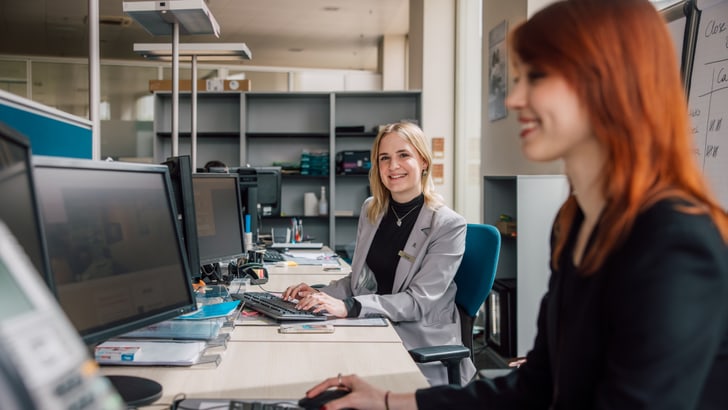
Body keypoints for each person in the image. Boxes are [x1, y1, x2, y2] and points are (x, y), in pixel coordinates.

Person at [301, 1, 728, 408]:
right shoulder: (578, 224)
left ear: (606, 84)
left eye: (537, 78)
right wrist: (390, 401)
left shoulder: (674, 241)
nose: (513, 100)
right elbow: (535, 386)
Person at [282, 121, 476, 386]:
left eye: (403, 155)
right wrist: (321, 294)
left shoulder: (448, 225)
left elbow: (418, 302)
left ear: (423, 162)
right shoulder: (372, 210)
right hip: (373, 326)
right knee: (303, 360)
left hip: (417, 342)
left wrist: (350, 306)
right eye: (384, 158)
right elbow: (360, 281)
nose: (393, 166)